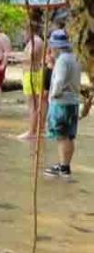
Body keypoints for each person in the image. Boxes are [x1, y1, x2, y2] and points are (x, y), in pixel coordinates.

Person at [44, 30, 82, 178]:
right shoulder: (74, 58)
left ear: (56, 47)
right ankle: (64, 165)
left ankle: (64, 167)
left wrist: (53, 94)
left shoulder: (62, 60)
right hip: (73, 101)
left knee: (61, 136)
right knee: (69, 136)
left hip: (62, 102)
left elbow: (59, 81)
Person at [16, 29, 46, 139]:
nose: (23, 34)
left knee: (32, 106)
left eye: (24, 31)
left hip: (32, 74)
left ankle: (31, 132)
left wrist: (15, 58)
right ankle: (39, 128)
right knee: (37, 104)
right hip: (32, 74)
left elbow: (31, 58)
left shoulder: (36, 41)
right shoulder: (35, 41)